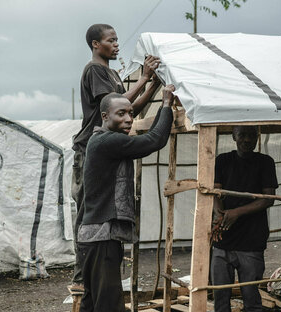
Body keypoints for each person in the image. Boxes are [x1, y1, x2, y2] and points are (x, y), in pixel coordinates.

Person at [71, 23, 162, 291]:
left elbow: (129, 108)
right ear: (95, 45)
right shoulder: (95, 70)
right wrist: (144, 78)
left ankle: (93, 271)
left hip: (103, 150)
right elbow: (116, 105)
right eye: (111, 40)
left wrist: (152, 85)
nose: (117, 44)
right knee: (87, 210)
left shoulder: (111, 74)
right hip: (90, 148)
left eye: (117, 40)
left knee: (102, 208)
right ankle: (81, 276)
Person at [78, 85, 176, 312]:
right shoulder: (107, 141)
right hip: (102, 237)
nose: (129, 119)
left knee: (92, 303)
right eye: (120, 114)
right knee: (109, 305)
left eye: (131, 113)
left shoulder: (102, 141)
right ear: (105, 117)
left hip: (94, 237)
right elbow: (155, 140)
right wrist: (166, 104)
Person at [210, 126, 278, 312]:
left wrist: (236, 213)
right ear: (233, 136)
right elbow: (215, 192)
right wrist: (219, 213)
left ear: (258, 137)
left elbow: (268, 199)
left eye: (251, 135)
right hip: (223, 240)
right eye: (242, 135)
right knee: (220, 297)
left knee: (251, 297)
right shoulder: (223, 160)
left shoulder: (265, 162)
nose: (247, 140)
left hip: (251, 241)